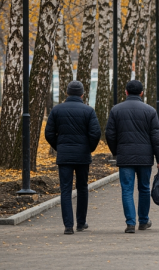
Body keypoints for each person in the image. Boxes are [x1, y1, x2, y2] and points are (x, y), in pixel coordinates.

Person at [105, 80, 159, 233]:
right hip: (145, 157)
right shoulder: (150, 111)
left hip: (125, 156)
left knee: (127, 189)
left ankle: (130, 223)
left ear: (126, 92)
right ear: (141, 93)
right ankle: (143, 221)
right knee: (144, 188)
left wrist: (116, 151)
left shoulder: (116, 110)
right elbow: (156, 138)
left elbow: (109, 134)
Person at [44, 80, 101, 235]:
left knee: (65, 189)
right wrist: (88, 148)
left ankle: (68, 225)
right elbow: (95, 133)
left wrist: (59, 146)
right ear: (82, 94)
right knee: (82, 188)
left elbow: (49, 133)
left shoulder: (57, 110)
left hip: (64, 155)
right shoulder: (88, 111)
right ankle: (81, 223)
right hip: (82, 155)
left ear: (66, 93)